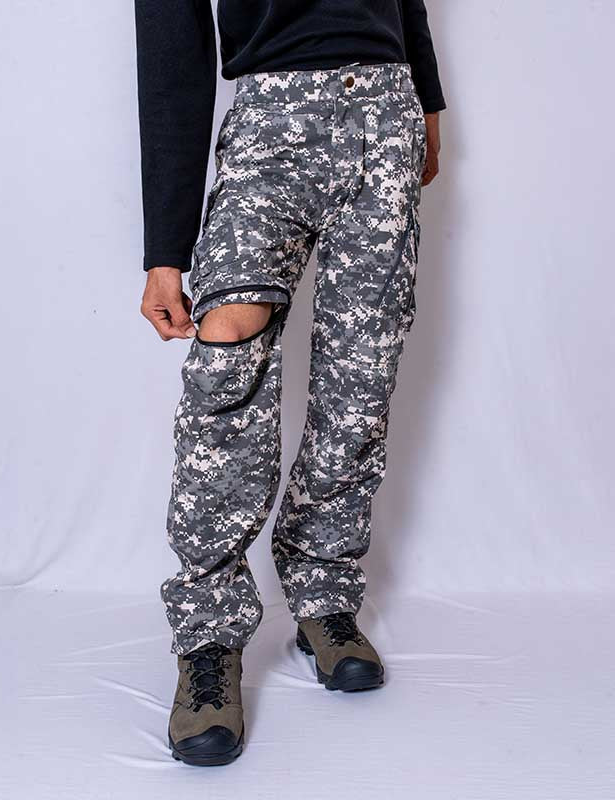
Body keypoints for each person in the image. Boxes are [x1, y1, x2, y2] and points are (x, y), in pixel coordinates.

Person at [134, 0, 446, 767]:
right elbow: (171, 47)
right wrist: (166, 250)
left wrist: (427, 100)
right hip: (272, 121)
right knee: (226, 353)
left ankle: (324, 594)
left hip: (385, 111)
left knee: (361, 374)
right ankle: (208, 637)